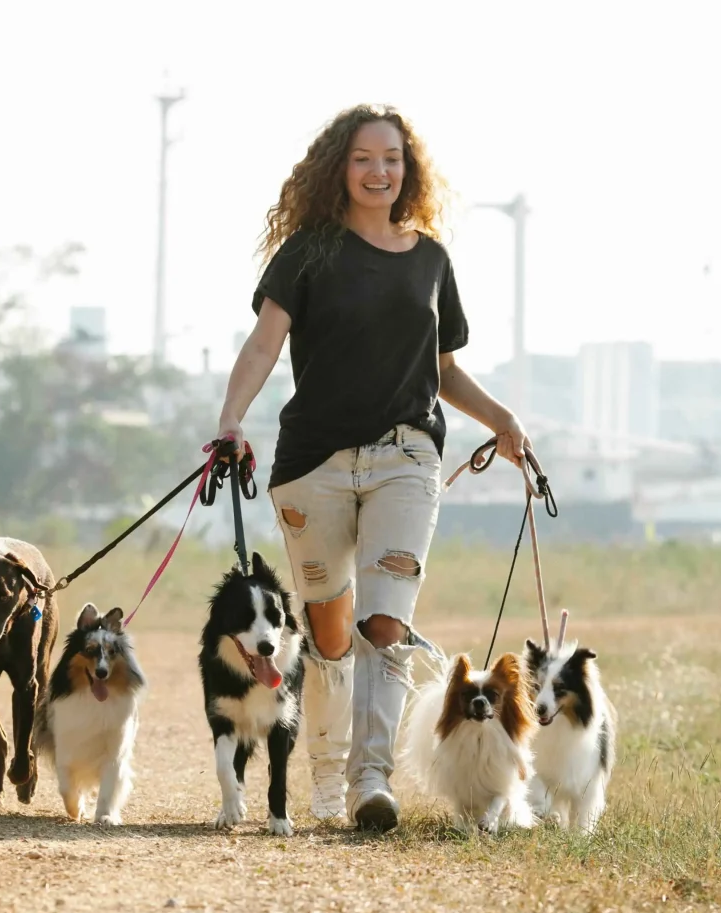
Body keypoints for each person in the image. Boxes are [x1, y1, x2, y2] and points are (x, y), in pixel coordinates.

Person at [211, 103, 530, 832]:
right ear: (340, 167)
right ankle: (326, 776)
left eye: (391, 158)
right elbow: (263, 345)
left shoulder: (431, 261)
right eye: (363, 158)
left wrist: (502, 421)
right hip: (313, 465)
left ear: (407, 169)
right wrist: (230, 419)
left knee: (386, 623)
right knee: (328, 636)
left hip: (406, 459)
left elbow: (444, 370)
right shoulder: (308, 252)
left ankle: (370, 781)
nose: (378, 171)